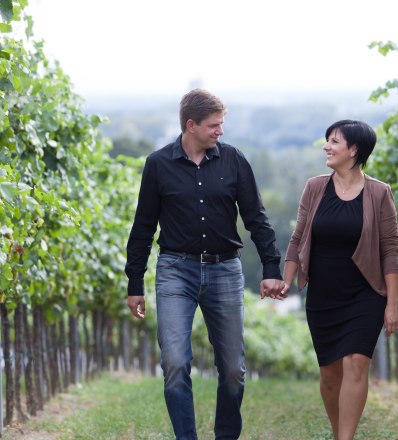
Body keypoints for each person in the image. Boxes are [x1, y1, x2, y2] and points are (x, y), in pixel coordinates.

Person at [125, 88, 284, 440]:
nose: (220, 131)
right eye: (214, 125)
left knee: (233, 370)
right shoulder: (158, 165)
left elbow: (257, 218)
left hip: (225, 271)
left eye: (221, 124)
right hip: (175, 272)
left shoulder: (234, 160)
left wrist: (271, 268)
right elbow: (143, 228)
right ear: (191, 125)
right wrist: (135, 283)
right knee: (174, 363)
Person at [276, 119, 398, 440]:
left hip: (365, 294)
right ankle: (337, 434)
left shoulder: (379, 193)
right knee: (331, 375)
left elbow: (389, 250)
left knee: (356, 362)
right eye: (327, 140)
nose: (326, 147)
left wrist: (392, 303)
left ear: (354, 150)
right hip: (324, 294)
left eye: (334, 141)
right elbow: (297, 238)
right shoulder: (315, 188)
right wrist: (287, 281)